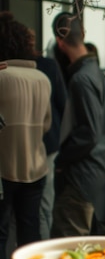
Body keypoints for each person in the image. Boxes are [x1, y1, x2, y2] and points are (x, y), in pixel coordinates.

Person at [50, 12, 105, 238]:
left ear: (59, 42)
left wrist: (61, 158)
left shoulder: (81, 78)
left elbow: (89, 133)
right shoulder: (98, 74)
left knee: (68, 247)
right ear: (83, 34)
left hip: (81, 176)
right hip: (99, 172)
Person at [0, 11, 51, 259]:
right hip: (36, 165)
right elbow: (46, 126)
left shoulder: (2, 77)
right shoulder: (42, 79)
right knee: (30, 231)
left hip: (4, 167)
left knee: (0, 234)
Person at [32, 30, 67, 240]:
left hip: (14, 147)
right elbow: (63, 106)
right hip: (48, 143)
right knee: (45, 204)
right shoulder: (48, 66)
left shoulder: (5, 69)